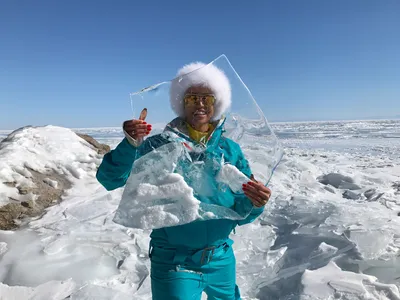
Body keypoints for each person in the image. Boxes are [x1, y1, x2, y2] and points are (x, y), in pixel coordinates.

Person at [96, 62, 272, 300]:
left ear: (216, 103)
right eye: (192, 98)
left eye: (207, 98)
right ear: (181, 103)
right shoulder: (158, 146)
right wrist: (130, 144)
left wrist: (255, 203)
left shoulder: (229, 150)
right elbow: (110, 179)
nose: (200, 104)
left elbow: (241, 212)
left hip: (221, 258)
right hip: (174, 262)